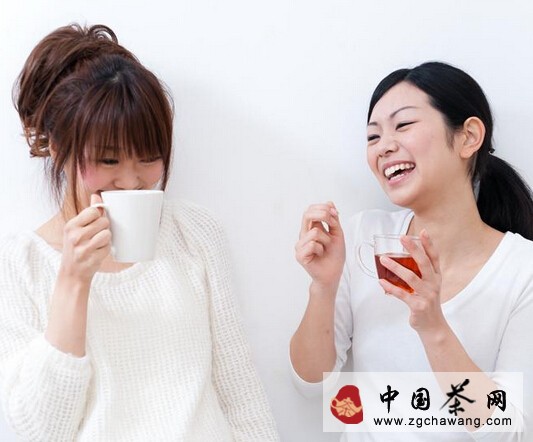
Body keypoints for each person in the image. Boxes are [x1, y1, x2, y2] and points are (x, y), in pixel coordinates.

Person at [0, 23, 279, 441]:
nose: (132, 181)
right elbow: (40, 431)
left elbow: (241, 395)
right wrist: (73, 281)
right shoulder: (21, 263)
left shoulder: (194, 233)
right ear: (58, 149)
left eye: (148, 158)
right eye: (109, 160)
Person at [290, 61, 533, 441]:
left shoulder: (523, 270)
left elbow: (513, 432)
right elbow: (312, 384)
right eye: (373, 136)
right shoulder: (363, 237)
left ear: (468, 137)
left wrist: (433, 326)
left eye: (403, 125)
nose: (384, 146)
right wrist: (323, 286)